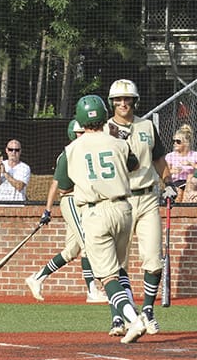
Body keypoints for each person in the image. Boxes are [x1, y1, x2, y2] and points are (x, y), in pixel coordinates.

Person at [57, 94, 148, 344]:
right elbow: (133, 163)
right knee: (119, 271)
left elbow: (64, 187)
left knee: (106, 277)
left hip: (96, 212)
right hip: (123, 209)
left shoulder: (72, 149)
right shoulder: (117, 141)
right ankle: (129, 317)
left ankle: (133, 318)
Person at [105, 79, 169, 337]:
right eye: (119, 100)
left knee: (154, 258)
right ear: (112, 103)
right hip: (120, 199)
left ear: (134, 101)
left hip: (148, 197)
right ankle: (118, 316)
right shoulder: (104, 129)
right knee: (118, 262)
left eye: (128, 99)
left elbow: (159, 159)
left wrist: (171, 182)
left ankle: (148, 311)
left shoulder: (147, 126)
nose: (123, 103)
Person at [25, 119, 107, 304]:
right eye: (79, 133)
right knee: (87, 243)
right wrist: (47, 209)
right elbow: (57, 185)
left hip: (82, 200)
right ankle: (92, 290)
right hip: (71, 199)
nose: (83, 135)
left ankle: (37, 278)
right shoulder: (68, 154)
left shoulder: (86, 151)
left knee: (71, 251)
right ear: (73, 134)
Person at [164, 124, 197, 201]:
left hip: (192, 183)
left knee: (190, 178)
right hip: (176, 182)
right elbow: (165, 172)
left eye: (178, 141)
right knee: (178, 192)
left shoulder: (195, 155)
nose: (175, 143)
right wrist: (174, 171)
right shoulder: (170, 156)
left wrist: (193, 165)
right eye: (174, 141)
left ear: (186, 143)